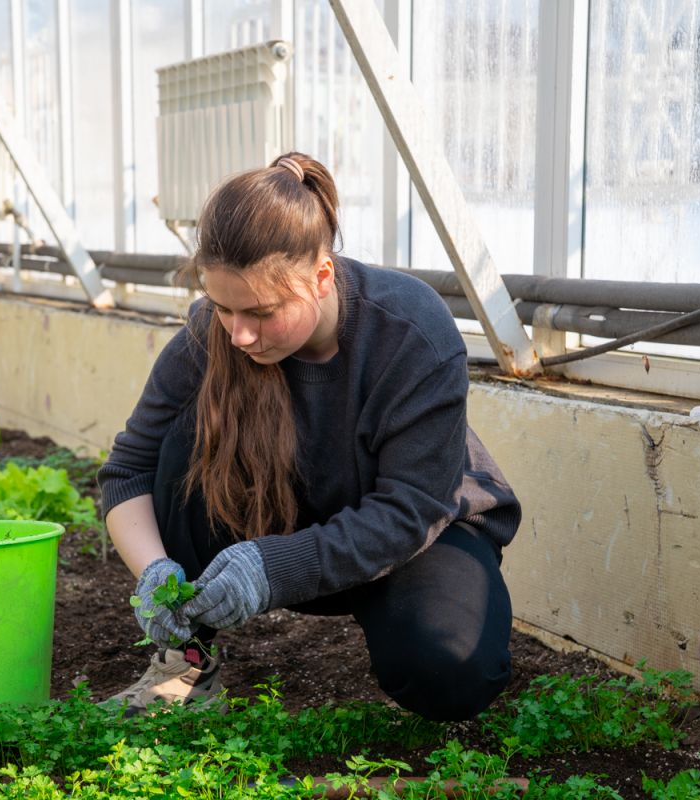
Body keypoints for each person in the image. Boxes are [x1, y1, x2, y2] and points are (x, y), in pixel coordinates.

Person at [96, 152, 521, 721]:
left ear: (322, 277)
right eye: (222, 307)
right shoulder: (214, 333)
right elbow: (130, 469)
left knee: (450, 671)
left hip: (410, 537)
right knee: (177, 441)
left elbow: (409, 512)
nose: (239, 334)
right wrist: (154, 572)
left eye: (261, 312)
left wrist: (272, 567)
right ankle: (186, 664)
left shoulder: (410, 331)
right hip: (283, 520)